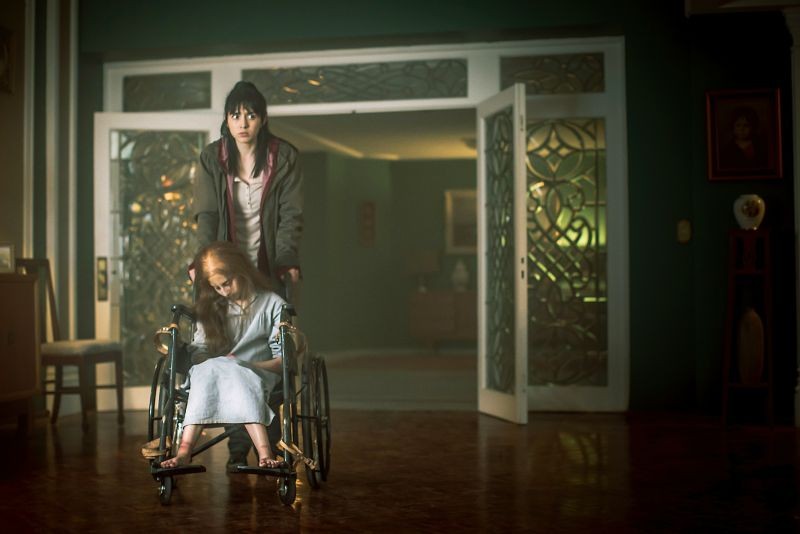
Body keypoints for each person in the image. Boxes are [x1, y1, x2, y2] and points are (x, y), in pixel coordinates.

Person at [193, 80, 303, 471]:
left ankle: (266, 445)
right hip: (229, 264)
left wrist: (286, 259)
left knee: (266, 350)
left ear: (263, 118)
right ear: (226, 119)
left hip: (266, 265)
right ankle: (239, 449)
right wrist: (203, 261)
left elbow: (290, 215)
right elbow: (207, 214)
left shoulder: (283, 157)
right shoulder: (212, 157)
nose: (243, 123)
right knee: (227, 348)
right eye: (235, 115)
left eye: (251, 115)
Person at [161, 241, 286, 469]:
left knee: (236, 370)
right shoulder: (213, 306)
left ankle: (265, 453)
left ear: (242, 271)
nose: (224, 292)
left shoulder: (273, 304)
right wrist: (217, 363)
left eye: (226, 283)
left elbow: (283, 362)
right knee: (204, 371)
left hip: (258, 371)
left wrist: (243, 364)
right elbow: (200, 351)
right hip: (215, 372)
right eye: (217, 288)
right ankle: (184, 452)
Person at [718, 106, 769, 171]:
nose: (741, 129)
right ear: (733, 127)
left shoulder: (760, 145)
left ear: (753, 127)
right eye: (738, 125)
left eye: (746, 125)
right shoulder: (728, 149)